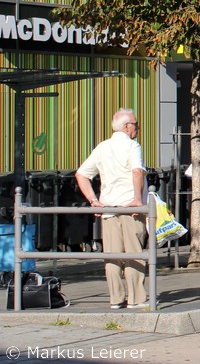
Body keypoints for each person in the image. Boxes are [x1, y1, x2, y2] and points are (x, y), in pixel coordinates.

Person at [75, 108, 148, 310]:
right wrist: (136, 198)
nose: (137, 128)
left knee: (113, 256)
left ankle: (116, 298)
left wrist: (93, 200)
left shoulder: (102, 147)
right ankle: (136, 298)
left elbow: (81, 174)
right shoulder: (132, 146)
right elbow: (136, 171)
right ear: (126, 126)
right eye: (136, 124)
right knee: (134, 253)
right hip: (129, 208)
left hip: (108, 208)